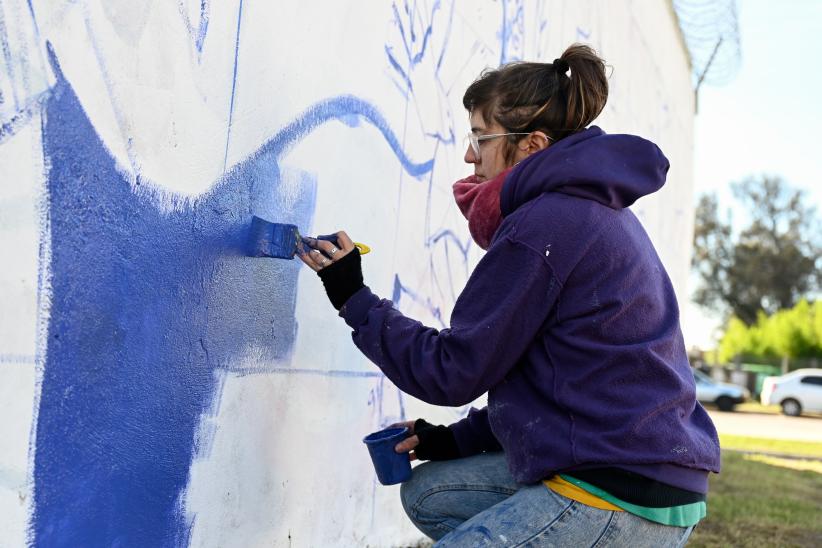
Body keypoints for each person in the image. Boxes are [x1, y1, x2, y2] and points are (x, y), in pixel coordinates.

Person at [298, 43, 719, 547]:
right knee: (430, 493)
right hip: (647, 471)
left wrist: (353, 297)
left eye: (481, 136)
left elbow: (452, 371)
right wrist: (456, 439)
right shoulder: (591, 210)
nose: (469, 154)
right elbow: (563, 377)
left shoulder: (543, 226)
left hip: (615, 492)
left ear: (532, 146)